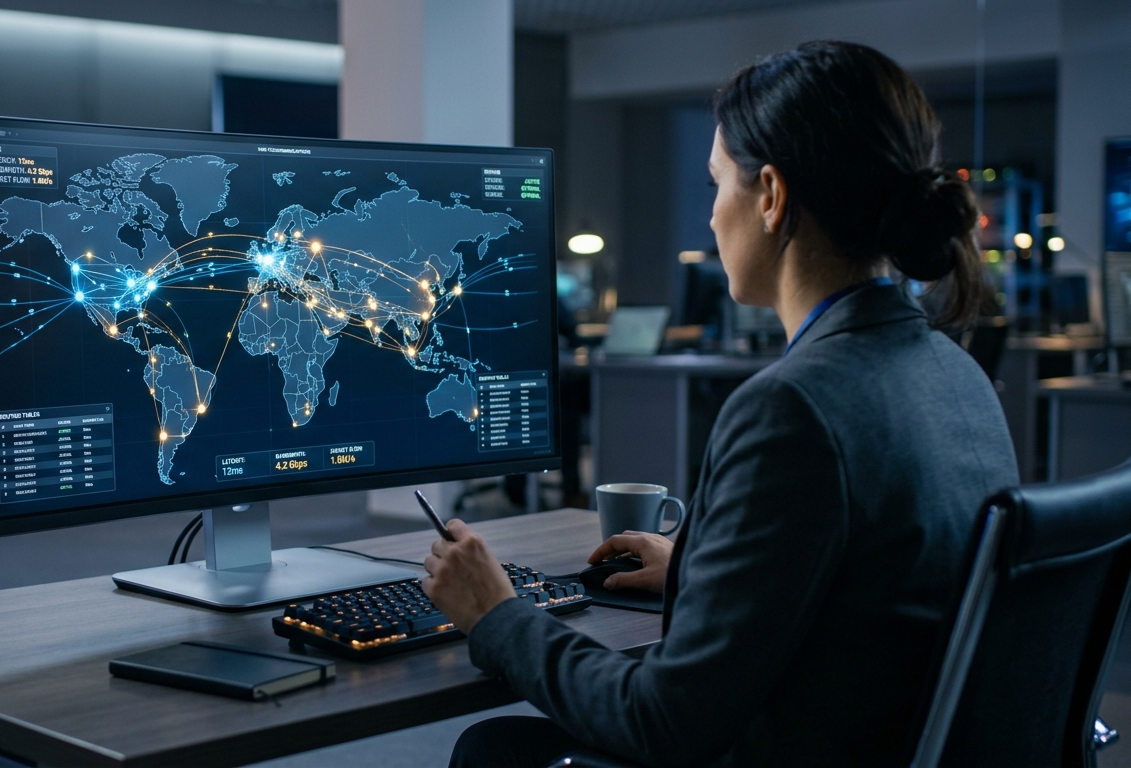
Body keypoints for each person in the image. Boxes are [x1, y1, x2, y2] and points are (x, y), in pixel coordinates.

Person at [422, 41, 1019, 768]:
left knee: (495, 753)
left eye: (715, 184)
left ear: (770, 195)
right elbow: (877, 594)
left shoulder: (794, 408)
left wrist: (499, 615)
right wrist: (700, 569)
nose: (710, 218)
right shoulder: (956, 373)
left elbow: (662, 722)